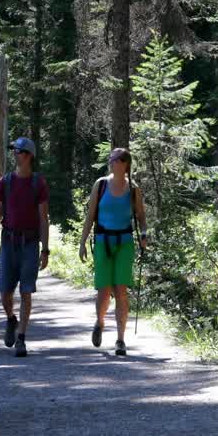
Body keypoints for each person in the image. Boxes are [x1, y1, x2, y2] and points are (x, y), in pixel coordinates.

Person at [77, 147, 148, 356]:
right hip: (102, 242)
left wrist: (144, 233)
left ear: (125, 163)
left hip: (124, 243)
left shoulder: (133, 189)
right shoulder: (100, 185)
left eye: (116, 159)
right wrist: (82, 243)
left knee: (121, 290)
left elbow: (141, 216)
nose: (112, 162)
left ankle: (120, 340)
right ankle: (99, 322)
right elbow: (90, 216)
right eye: (111, 158)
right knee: (104, 290)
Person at [0, 137, 50, 357]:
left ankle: (21, 338)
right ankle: (11, 319)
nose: (16, 154)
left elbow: (44, 218)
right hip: (8, 242)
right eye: (14, 150)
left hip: (31, 244)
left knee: (26, 291)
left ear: (30, 155)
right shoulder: (5, 182)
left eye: (20, 151)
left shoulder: (38, 183)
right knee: (5, 292)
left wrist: (45, 249)